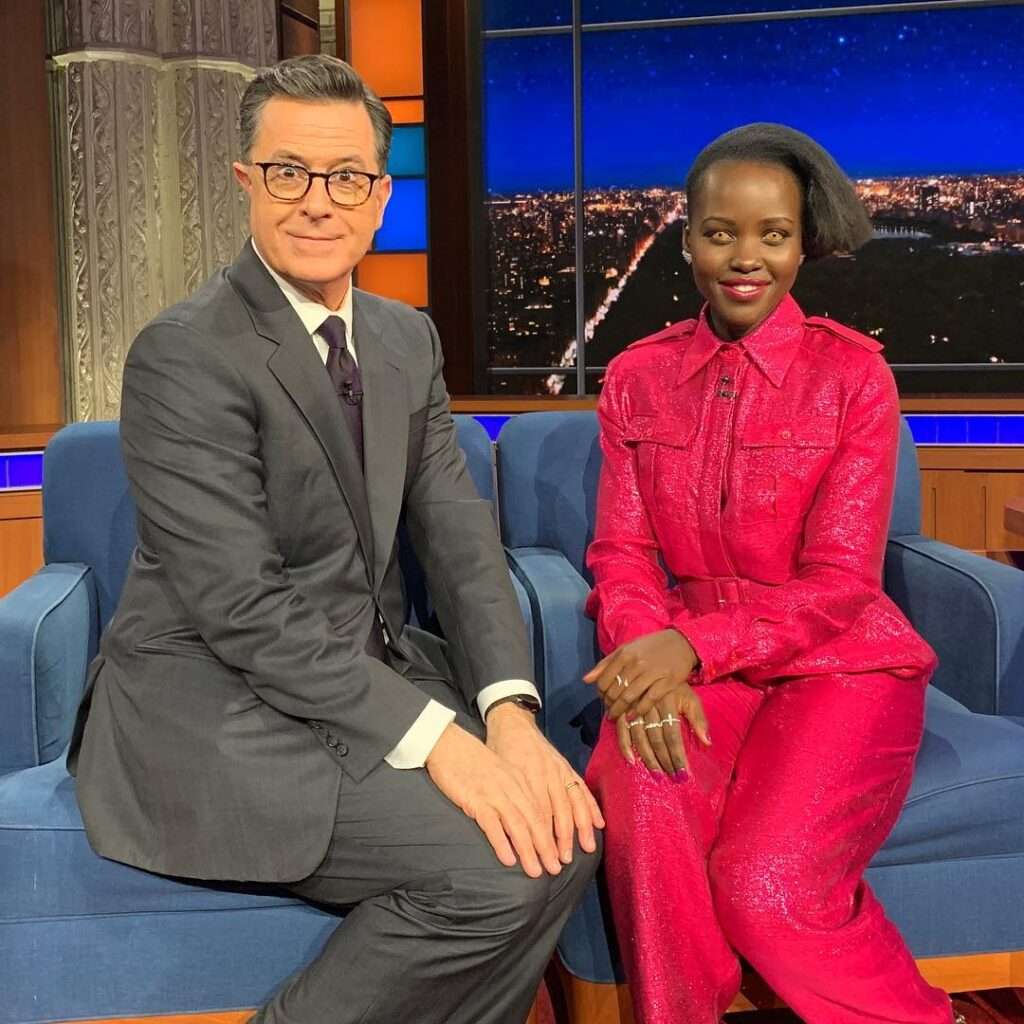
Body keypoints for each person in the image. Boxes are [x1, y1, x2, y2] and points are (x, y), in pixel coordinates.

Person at [68, 54, 601, 1024]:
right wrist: (442, 741)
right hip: (218, 701)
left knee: (565, 826)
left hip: (367, 674)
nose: (319, 201)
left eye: (346, 175)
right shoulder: (182, 353)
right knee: (494, 870)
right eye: (289, 172)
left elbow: (459, 538)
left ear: (379, 192)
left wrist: (508, 714)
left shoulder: (404, 339)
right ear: (246, 181)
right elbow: (242, 606)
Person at [582, 123, 959, 1023]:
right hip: (691, 658)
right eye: (720, 233)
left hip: (841, 663)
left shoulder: (853, 378)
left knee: (764, 886)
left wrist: (692, 644)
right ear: (687, 239)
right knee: (639, 777)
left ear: (802, 244)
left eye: (773, 235)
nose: (745, 257)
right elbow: (621, 553)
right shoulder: (637, 377)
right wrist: (644, 656)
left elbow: (839, 582)